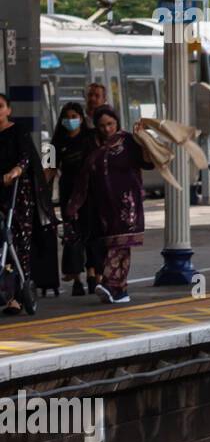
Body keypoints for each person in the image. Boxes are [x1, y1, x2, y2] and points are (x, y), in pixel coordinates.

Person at [67, 106, 152, 305]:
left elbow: (148, 163)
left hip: (128, 204)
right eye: (102, 126)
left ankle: (109, 282)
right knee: (115, 245)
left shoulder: (129, 141)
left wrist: (145, 139)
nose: (107, 129)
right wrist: (73, 205)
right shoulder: (91, 146)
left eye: (110, 124)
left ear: (117, 122)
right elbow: (82, 178)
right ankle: (120, 291)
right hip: (104, 207)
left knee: (120, 245)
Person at [0, 93, 43, 313]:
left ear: (8, 110)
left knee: (18, 242)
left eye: (0, 107)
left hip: (18, 194)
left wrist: (16, 171)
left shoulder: (18, 131)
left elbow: (26, 157)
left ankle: (17, 295)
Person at [50, 101, 97, 296]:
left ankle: (93, 275)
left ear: (81, 118)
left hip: (90, 191)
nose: (70, 121)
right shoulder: (55, 143)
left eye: (74, 117)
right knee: (72, 235)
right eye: (67, 117)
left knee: (92, 233)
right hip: (68, 192)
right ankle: (77, 279)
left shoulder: (91, 138)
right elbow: (49, 169)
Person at [81, 82, 108, 292]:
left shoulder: (108, 123)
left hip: (103, 187)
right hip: (79, 186)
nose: (93, 98)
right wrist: (49, 171)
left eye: (97, 95)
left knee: (102, 230)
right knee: (84, 230)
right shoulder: (76, 120)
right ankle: (89, 271)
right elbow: (53, 147)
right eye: (90, 95)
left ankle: (98, 272)